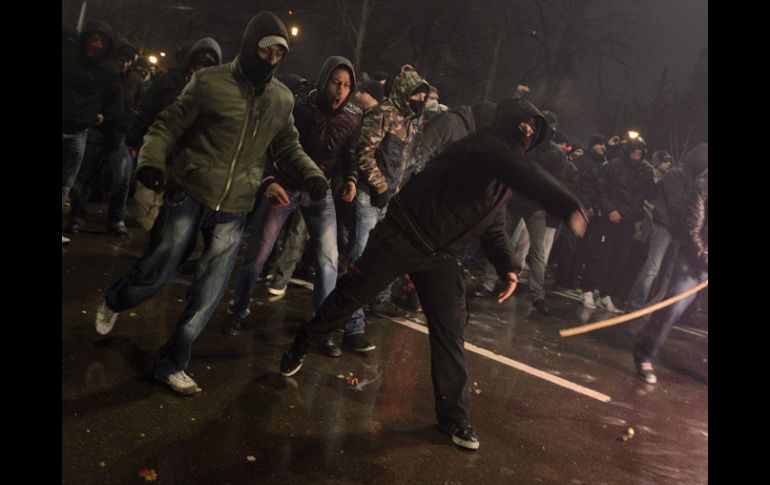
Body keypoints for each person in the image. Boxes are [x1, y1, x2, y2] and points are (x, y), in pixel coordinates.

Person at [279, 96, 589, 450]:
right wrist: (565, 204)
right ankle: (304, 341)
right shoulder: (486, 145)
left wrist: (508, 267)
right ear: (508, 121)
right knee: (351, 297)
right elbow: (522, 171)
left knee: (450, 331)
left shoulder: (506, 175)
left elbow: (493, 224)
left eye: (534, 129)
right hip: (404, 234)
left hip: (441, 257)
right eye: (524, 123)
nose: (528, 131)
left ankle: (453, 418)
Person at [94, 11, 326, 396]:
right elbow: (166, 126)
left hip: (234, 207)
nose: (270, 60)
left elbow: (287, 145)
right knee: (159, 269)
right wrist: (151, 164)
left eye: (279, 54)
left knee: (208, 292)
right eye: (265, 50)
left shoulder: (280, 99)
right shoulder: (209, 82)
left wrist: (311, 174)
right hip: (190, 191)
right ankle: (117, 299)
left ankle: (172, 362)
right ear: (250, 46)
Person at [225, 56, 362, 349]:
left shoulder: (352, 118)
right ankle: (238, 309)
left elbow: (350, 155)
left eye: (347, 85)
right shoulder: (298, 107)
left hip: (319, 191)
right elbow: (271, 144)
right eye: (336, 83)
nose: (340, 91)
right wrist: (269, 180)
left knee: (328, 259)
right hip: (285, 185)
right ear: (324, 80)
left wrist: (350, 180)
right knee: (259, 253)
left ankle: (320, 328)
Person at [633, 144, 707, 384]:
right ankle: (644, 353)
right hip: (694, 261)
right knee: (673, 307)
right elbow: (692, 230)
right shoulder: (702, 188)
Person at [62, 21, 117, 244]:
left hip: (79, 131)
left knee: (66, 182)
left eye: (101, 41)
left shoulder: (106, 71)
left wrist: (101, 112)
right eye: (94, 38)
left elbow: (112, 95)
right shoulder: (69, 60)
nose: (96, 44)